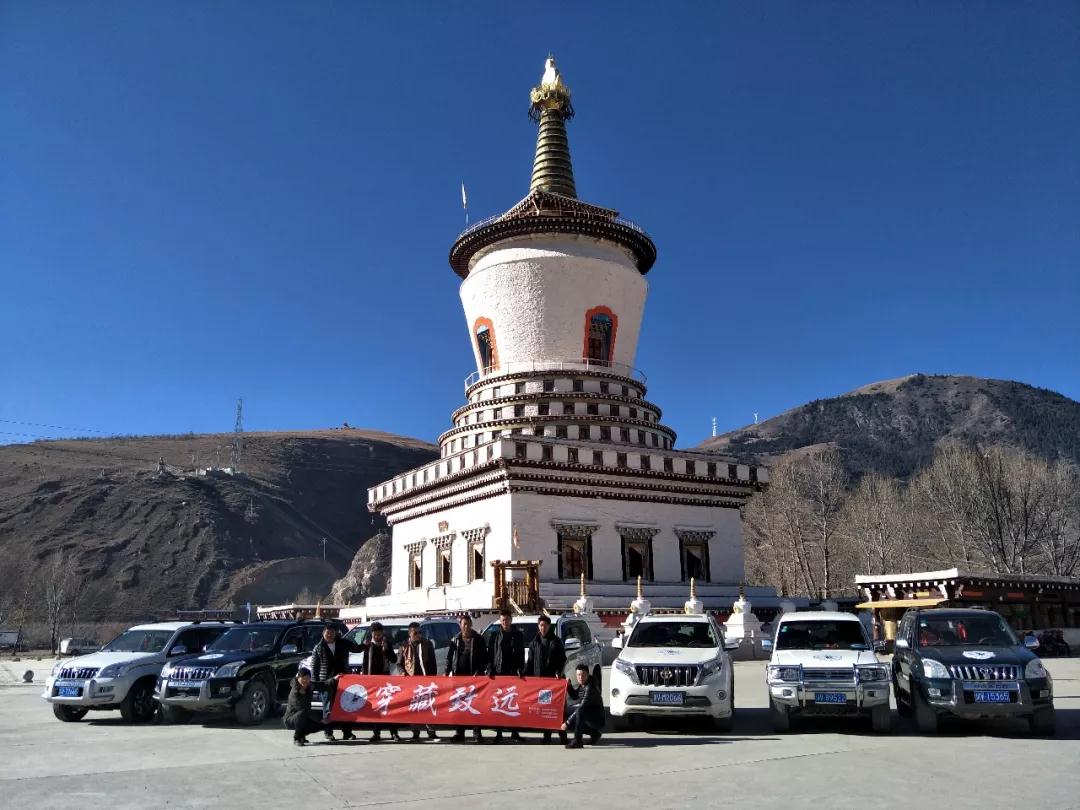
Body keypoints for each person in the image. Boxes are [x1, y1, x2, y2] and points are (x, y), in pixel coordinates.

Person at [309, 623, 362, 742]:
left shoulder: (343, 643)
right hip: (326, 682)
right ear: (323, 633)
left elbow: (356, 649)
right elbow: (314, 667)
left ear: (336, 633)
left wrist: (366, 645)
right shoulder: (318, 648)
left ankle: (347, 732)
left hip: (343, 681)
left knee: (346, 706)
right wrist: (316, 684)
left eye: (332, 632)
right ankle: (328, 732)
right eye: (327, 632)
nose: (330, 635)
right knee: (327, 708)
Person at [444, 614, 488, 743]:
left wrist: (479, 671)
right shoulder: (455, 640)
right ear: (460, 625)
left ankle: (477, 732)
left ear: (472, 625)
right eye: (464, 624)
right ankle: (459, 732)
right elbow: (449, 657)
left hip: (474, 677)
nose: (466, 627)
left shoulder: (479, 639)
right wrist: (446, 672)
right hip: (459, 677)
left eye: (469, 624)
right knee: (460, 705)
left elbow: (484, 658)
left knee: (475, 704)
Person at [487, 609, 527, 743]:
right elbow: (491, 654)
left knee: (514, 703)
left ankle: (515, 732)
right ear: (500, 621)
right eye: (503, 620)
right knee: (499, 703)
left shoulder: (518, 635)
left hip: (513, 673)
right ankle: (499, 734)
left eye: (507, 620)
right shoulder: (494, 635)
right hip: (499, 673)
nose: (505, 622)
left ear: (511, 620)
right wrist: (490, 668)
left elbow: (521, 654)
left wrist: (520, 669)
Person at [527, 614, 567, 744]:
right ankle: (547, 736)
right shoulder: (534, 643)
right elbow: (530, 663)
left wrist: (559, 672)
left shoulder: (556, 641)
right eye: (541, 625)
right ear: (538, 627)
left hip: (554, 683)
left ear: (549, 627)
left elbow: (563, 661)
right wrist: (522, 674)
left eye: (545, 625)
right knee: (545, 709)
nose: (543, 628)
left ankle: (563, 737)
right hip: (541, 683)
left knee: (557, 709)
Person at [399, 621, 438, 741]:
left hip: (426, 681)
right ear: (410, 634)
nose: (419, 635)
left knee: (428, 706)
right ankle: (415, 732)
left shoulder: (427, 644)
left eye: (420, 632)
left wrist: (432, 678)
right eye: (416, 633)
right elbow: (399, 664)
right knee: (414, 707)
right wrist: (403, 673)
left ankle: (431, 731)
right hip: (411, 682)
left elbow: (433, 663)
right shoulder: (404, 646)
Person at [361, 622, 400, 742]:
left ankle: (394, 733)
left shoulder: (386, 643)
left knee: (388, 706)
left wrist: (387, 649)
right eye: (375, 634)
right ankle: (376, 733)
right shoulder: (367, 645)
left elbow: (394, 659)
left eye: (379, 633)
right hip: (372, 680)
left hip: (385, 679)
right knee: (375, 707)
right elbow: (365, 662)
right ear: (372, 634)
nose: (378, 636)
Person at [562, 663, 604, 749]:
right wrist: (569, 686)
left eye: (583, 675)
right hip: (588, 715)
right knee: (573, 718)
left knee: (578, 713)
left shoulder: (591, 687)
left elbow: (582, 707)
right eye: (578, 675)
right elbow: (575, 696)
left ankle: (577, 741)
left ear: (588, 675)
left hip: (597, 719)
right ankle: (594, 734)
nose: (580, 677)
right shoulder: (583, 684)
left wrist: (567, 722)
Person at [283, 667, 324, 746]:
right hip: (291, 719)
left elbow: (322, 684)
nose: (305, 681)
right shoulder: (295, 692)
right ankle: (297, 738)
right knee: (304, 713)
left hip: (304, 715)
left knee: (323, 719)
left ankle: (302, 735)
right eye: (303, 678)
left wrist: (334, 679)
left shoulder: (309, 686)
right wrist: (320, 719)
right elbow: (303, 710)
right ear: (298, 678)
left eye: (308, 678)